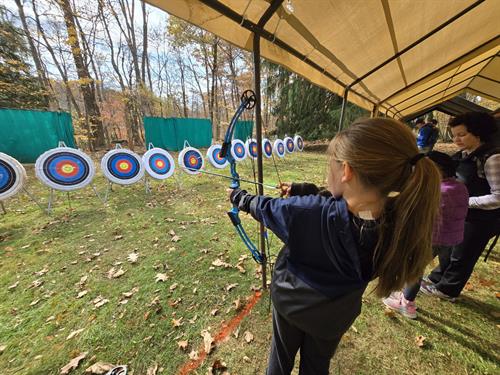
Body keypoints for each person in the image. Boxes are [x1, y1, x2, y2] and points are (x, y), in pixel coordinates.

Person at [228, 118, 441, 374]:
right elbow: (341, 207)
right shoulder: (401, 222)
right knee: (317, 366)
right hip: (335, 315)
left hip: (292, 304)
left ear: (347, 171)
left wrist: (239, 197)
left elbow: (266, 208)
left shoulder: (307, 212)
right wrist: (302, 189)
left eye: (332, 164)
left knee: (280, 358)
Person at [421, 112, 500, 300]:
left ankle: (448, 290)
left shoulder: (492, 158)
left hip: (480, 219)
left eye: (462, 135)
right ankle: (436, 278)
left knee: (463, 254)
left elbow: (498, 196)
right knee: (448, 248)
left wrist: (466, 202)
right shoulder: (464, 154)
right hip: (459, 213)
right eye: (454, 134)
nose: (456, 139)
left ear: (478, 133)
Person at [382, 151, 468, 318]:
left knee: (415, 268)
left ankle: (407, 304)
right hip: (452, 238)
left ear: (436, 171)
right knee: (427, 265)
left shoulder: (436, 191)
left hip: (432, 239)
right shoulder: (460, 187)